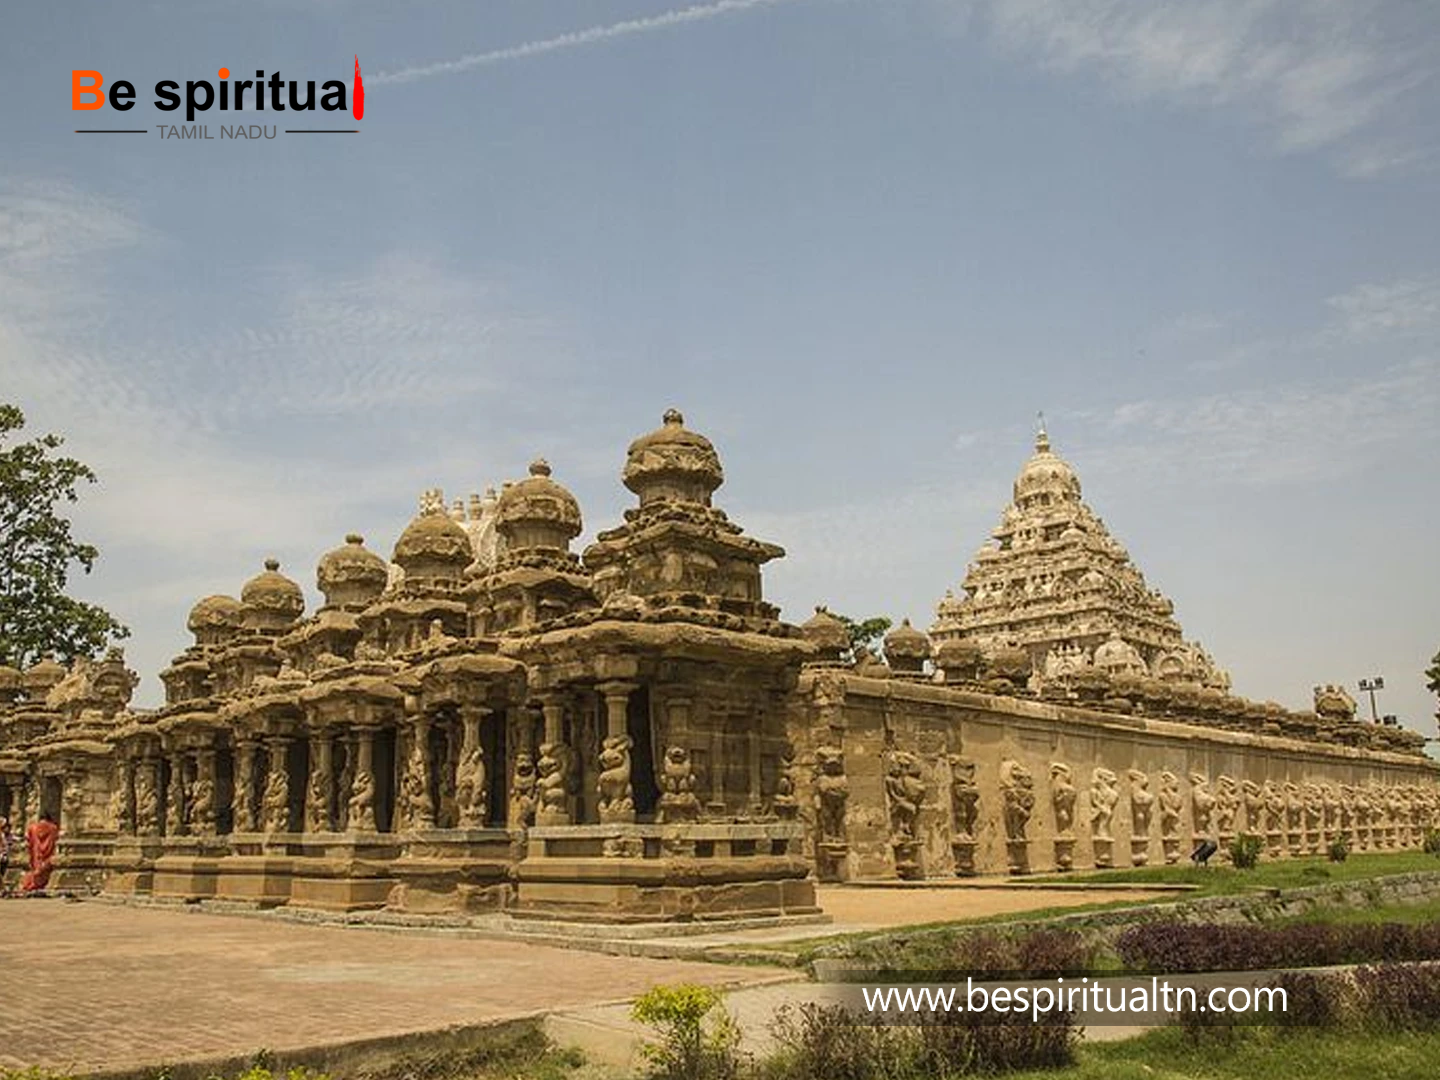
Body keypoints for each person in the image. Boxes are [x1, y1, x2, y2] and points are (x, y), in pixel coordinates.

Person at [21, 811, 59, 895]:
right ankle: (41, 885)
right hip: (48, 852)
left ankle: (32, 885)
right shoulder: (53, 828)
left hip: (36, 852)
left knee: (35, 869)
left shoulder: (32, 827)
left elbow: (28, 840)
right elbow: (56, 839)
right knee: (44, 869)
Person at [0, 817, 13, 895]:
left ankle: (3, 889)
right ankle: (3, 889)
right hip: (2, 856)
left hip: (3, 856)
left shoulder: (5, 835)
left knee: (2, 873)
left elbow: (6, 846)